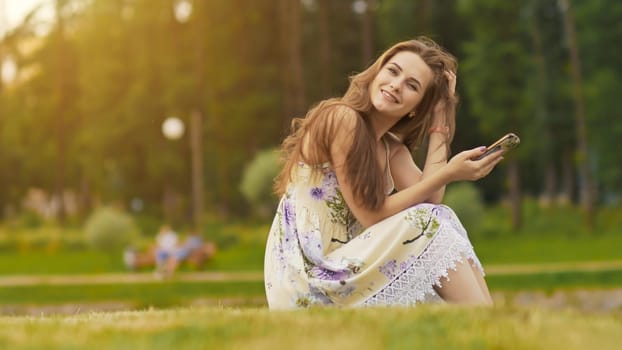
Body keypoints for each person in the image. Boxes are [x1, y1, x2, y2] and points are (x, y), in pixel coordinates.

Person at [264, 37, 504, 309]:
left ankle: (491, 320)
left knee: (441, 217)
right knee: (430, 220)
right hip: (308, 278)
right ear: (377, 71)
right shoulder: (341, 118)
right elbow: (370, 213)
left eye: (412, 85)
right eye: (393, 71)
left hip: (344, 265)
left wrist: (441, 117)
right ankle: (488, 321)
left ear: (417, 108)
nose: (396, 85)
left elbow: (432, 199)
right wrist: (450, 172)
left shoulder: (390, 148)